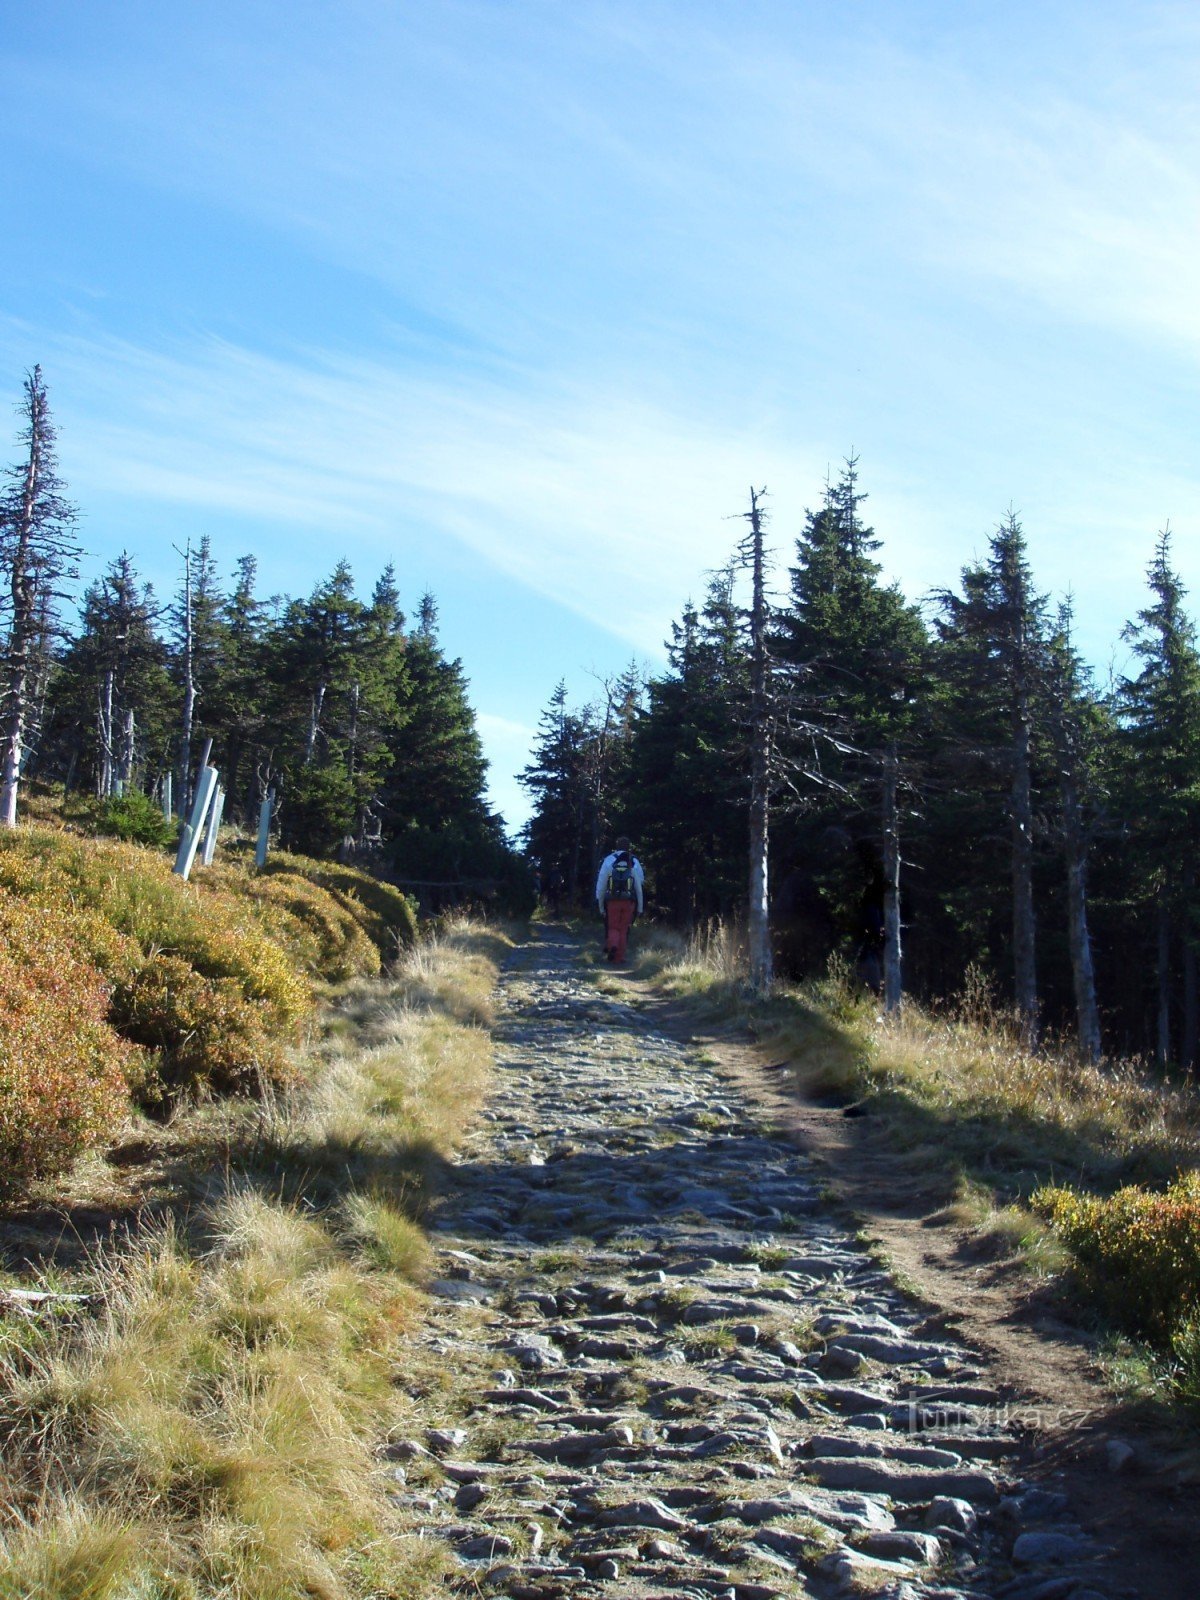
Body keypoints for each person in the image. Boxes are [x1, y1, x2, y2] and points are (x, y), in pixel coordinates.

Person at [595, 835, 644, 963]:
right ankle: (619, 957)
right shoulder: (634, 862)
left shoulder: (608, 861)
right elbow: (640, 885)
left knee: (612, 927)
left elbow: (601, 885)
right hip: (629, 902)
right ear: (629, 847)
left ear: (616, 847)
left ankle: (612, 946)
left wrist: (600, 904)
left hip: (611, 901)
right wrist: (639, 908)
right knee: (624, 928)